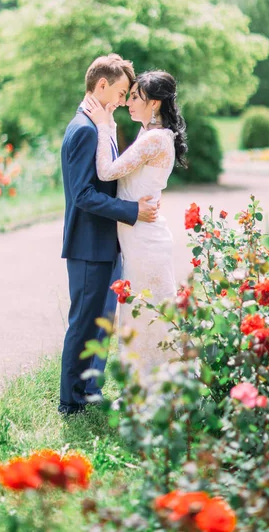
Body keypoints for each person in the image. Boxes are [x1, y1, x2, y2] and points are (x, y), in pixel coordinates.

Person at [59, 54, 159, 416]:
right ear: (101, 85)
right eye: (119, 92)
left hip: (107, 243)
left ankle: (90, 389)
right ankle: (70, 401)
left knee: (102, 323)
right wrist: (132, 212)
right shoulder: (84, 129)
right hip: (88, 245)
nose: (121, 100)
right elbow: (83, 195)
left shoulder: (99, 124)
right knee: (84, 322)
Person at [83, 70, 187, 379]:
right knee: (142, 317)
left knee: (145, 318)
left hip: (145, 243)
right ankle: (147, 387)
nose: (128, 101)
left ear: (154, 103)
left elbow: (106, 172)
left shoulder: (154, 138)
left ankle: (155, 389)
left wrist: (103, 126)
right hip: (141, 237)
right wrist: (111, 125)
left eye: (135, 97)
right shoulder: (150, 134)